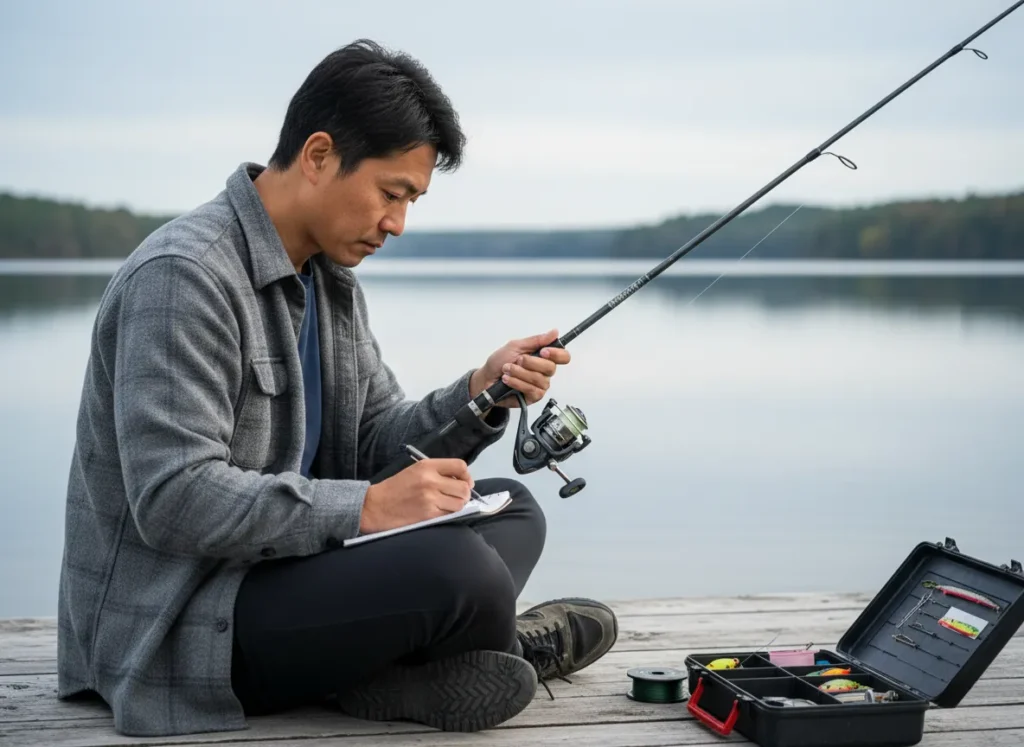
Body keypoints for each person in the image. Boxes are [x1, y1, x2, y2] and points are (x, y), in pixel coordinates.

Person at [56, 38, 618, 737]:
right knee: (459, 571)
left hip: (287, 576)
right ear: (319, 155)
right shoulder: (182, 276)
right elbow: (172, 499)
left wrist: (482, 393)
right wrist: (367, 510)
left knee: (512, 508)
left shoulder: (330, 283)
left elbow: (380, 443)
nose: (397, 224)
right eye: (392, 194)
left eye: (410, 201)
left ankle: (422, 663)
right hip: (185, 624)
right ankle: (492, 647)